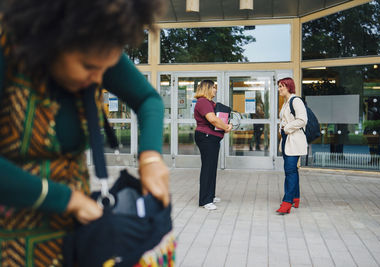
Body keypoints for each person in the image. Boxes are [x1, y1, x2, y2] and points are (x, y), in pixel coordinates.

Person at [0, 0, 169, 265]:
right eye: (89, 67)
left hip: (73, 238)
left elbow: (148, 100)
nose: (100, 78)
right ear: (54, 39)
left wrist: (150, 157)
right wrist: (66, 199)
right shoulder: (7, 48)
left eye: (105, 68)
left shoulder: (96, 42)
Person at [194, 80, 232, 210]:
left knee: (211, 167)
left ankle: (210, 195)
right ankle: (205, 200)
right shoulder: (203, 102)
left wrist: (226, 126)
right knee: (208, 168)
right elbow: (213, 119)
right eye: (214, 88)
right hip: (206, 138)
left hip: (211, 138)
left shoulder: (210, 103)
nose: (216, 90)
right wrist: (226, 127)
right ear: (207, 89)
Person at [276, 77, 308, 215]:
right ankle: (296, 198)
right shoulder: (286, 102)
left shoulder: (296, 101)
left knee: (289, 171)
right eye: (278, 86)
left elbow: (302, 120)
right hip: (287, 139)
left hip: (294, 139)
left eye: (281, 86)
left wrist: (286, 127)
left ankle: (287, 202)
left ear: (289, 86)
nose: (279, 89)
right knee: (292, 170)